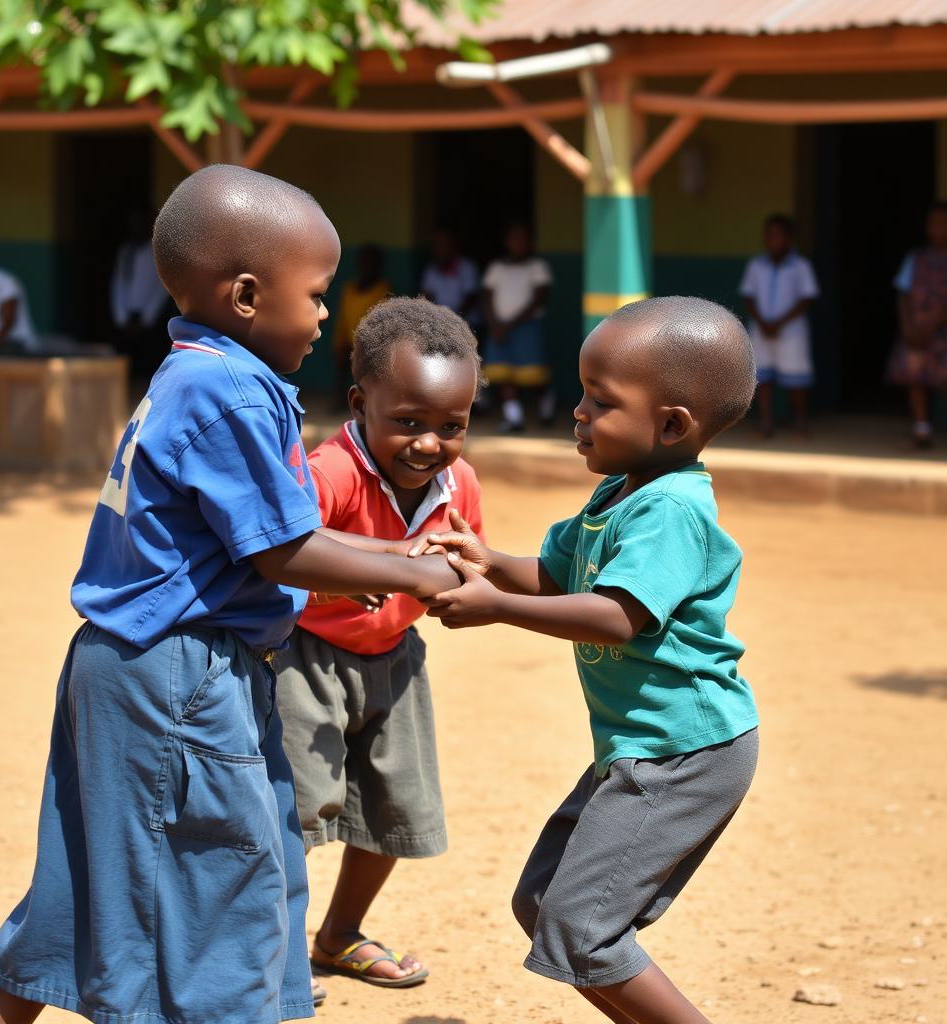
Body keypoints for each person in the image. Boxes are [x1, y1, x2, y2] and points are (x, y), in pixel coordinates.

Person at [0, 166, 462, 1024]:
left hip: (142, 667)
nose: (322, 316)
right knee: (222, 886)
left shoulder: (197, 372)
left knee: (107, 878)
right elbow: (284, 551)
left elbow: (277, 531)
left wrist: (407, 553)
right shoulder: (229, 388)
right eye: (314, 295)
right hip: (180, 677)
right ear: (244, 294)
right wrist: (414, 570)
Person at [415, 296, 760, 1024]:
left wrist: (497, 607)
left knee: (582, 928)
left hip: (686, 752)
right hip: (638, 749)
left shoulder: (672, 510)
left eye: (599, 401)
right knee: (544, 904)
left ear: (671, 425)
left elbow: (616, 614)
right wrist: (491, 563)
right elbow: (561, 576)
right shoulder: (618, 494)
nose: (576, 412)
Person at [275, 297, 485, 1003]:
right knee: (296, 813)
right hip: (306, 660)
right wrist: (340, 588)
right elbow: (283, 569)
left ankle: (338, 934)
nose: (429, 444)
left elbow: (467, 563)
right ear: (361, 404)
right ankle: (273, 955)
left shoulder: (459, 485)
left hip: (396, 658)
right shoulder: (327, 473)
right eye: (408, 423)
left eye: (450, 426)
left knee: (394, 804)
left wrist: (461, 586)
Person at [739, 214, 819, 440]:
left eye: (776, 235)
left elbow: (807, 298)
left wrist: (780, 322)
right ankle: (765, 423)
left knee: (796, 380)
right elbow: (748, 296)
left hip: (791, 331)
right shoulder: (756, 265)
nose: (771, 240)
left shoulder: (801, 266)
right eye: (768, 236)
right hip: (761, 329)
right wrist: (762, 321)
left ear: (788, 238)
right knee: (762, 379)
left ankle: (800, 423)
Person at [481, 222, 555, 432]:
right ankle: (514, 418)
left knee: (532, 376)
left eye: (522, 238)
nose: (517, 243)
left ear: (530, 242)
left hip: (527, 327)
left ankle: (546, 400)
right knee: (502, 373)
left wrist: (510, 324)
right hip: (499, 327)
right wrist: (494, 324)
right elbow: (486, 297)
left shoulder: (537, 267)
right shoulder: (497, 267)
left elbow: (538, 299)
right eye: (513, 238)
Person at [887, 200, 947, 449]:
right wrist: (908, 326)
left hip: (942, 332)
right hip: (916, 330)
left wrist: (933, 325)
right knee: (916, 378)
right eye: (933, 222)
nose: (938, 228)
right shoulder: (916, 257)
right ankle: (921, 429)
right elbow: (902, 291)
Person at [110, 207, 173, 377]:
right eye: (132, 223)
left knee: (150, 368)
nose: (135, 227)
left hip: (150, 321)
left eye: (139, 223)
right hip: (127, 320)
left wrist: (145, 320)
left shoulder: (157, 252)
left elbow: (160, 289)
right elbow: (119, 285)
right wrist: (122, 318)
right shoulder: (126, 251)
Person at [331, 243, 391, 402]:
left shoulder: (383, 289)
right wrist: (341, 340)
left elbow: (380, 322)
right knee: (342, 354)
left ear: (378, 265)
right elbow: (342, 318)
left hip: (369, 342)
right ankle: (340, 398)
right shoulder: (349, 288)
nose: (366, 266)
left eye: (370, 261)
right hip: (349, 340)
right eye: (363, 261)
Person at [420, 228, 481, 331]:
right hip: (441, 326)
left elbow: (470, 299)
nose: (438, 248)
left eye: (442, 244)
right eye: (436, 245)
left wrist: (452, 320)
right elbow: (425, 296)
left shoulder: (467, 268)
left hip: (468, 326)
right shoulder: (431, 270)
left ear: (453, 245)